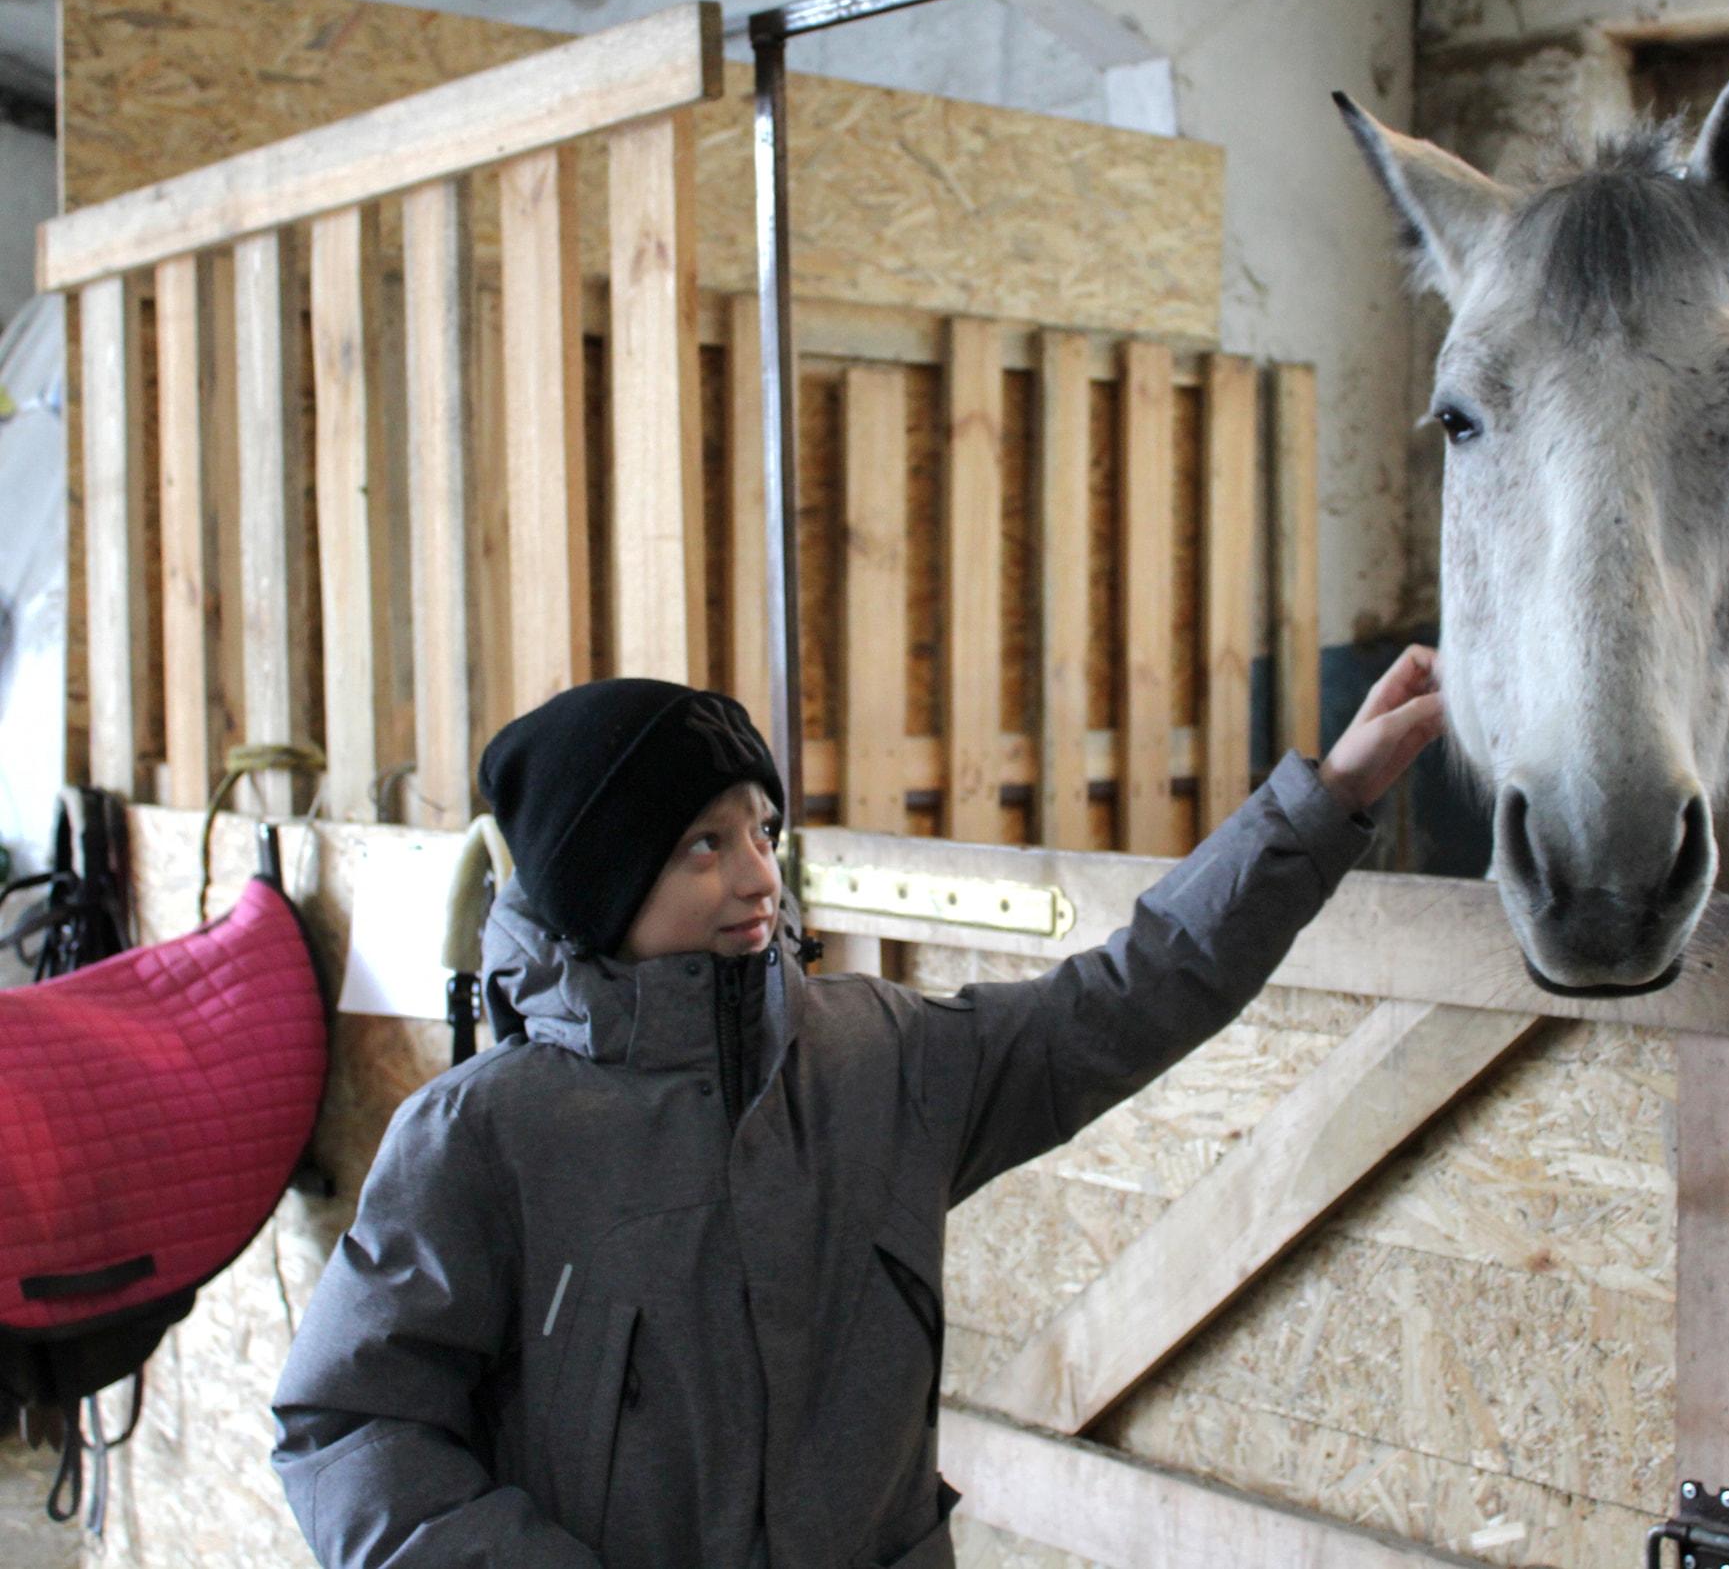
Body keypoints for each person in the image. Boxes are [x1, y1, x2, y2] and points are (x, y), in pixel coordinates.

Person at [271, 651, 1445, 1569]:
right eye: (701, 846)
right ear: (600, 881)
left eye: (761, 834)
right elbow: (348, 1426)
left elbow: (1127, 996)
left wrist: (1322, 803)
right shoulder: (486, 1136)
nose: (756, 878)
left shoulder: (876, 1057)